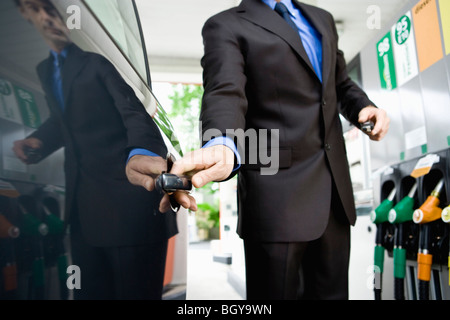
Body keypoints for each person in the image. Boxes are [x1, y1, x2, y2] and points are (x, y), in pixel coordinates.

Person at [127, 0, 390, 299]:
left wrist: (364, 107)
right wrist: (222, 142)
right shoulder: (226, 25)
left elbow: (339, 84)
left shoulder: (323, 19)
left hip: (334, 198)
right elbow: (225, 90)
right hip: (276, 198)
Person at [12, 0, 179, 300]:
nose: (47, 18)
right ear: (25, 16)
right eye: (36, 11)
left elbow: (134, 114)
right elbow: (62, 120)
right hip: (83, 212)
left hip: (129, 210)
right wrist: (39, 140)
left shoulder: (96, 64)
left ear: (62, 17)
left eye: (50, 10)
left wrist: (140, 153)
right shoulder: (45, 70)